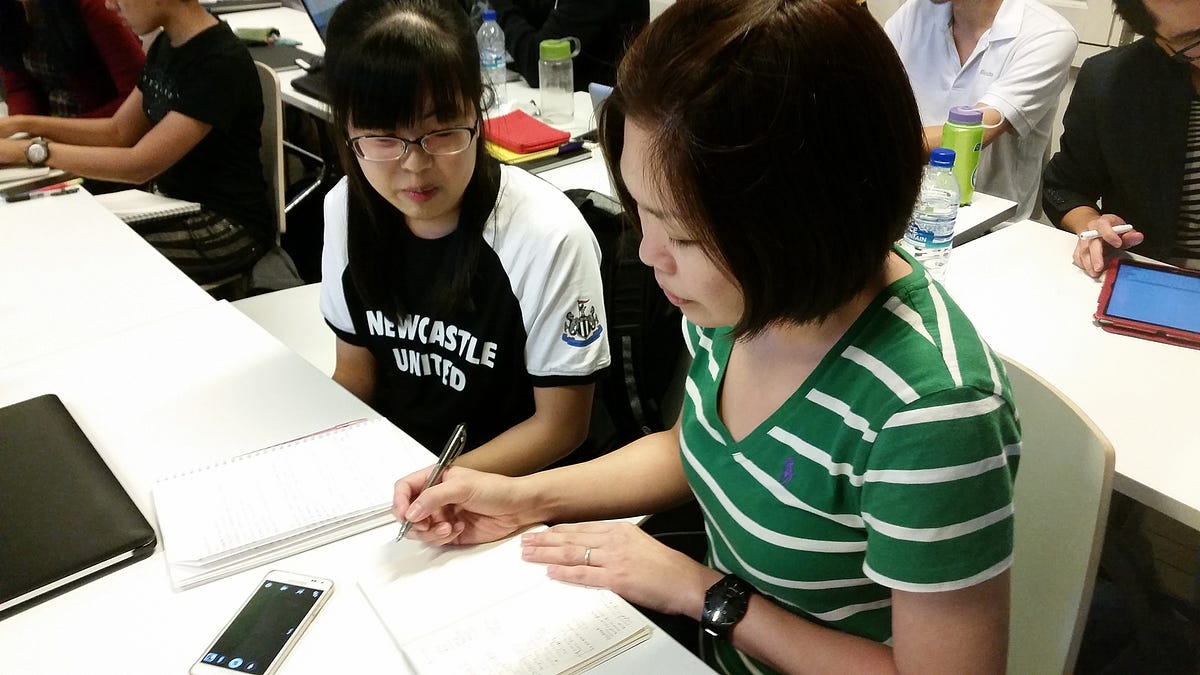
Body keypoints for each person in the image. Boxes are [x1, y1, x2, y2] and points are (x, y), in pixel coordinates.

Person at [393, 0, 1020, 672]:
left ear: (807, 218)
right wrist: (522, 498)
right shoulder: (739, 301)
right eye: (643, 213)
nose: (648, 255)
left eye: (685, 236)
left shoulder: (931, 412)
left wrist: (704, 592)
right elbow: (698, 444)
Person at [318, 0, 610, 475]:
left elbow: (561, 427)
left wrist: (439, 485)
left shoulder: (548, 236)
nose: (415, 164)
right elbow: (355, 374)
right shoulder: (345, 208)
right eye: (383, 137)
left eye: (442, 131)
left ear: (478, 111)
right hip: (400, 472)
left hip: (515, 487)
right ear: (347, 132)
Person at [0, 0, 271, 286]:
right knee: (51, 237)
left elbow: (139, 165)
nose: (110, 5)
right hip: (173, 205)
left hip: (226, 227)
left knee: (73, 262)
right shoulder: (168, 43)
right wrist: (22, 125)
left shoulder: (219, 62)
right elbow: (117, 131)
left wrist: (30, 151)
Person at [1043, 0, 1200, 275]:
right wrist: (1093, 225)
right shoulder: (1113, 82)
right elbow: (1066, 187)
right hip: (1155, 276)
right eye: (1193, 39)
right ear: (1159, 42)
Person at [885, 0, 1077, 222]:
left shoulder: (1049, 33)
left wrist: (868, 147)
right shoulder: (913, 12)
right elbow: (867, 103)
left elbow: (969, 136)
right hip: (905, 206)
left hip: (990, 224)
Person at [0, 0, 144, 119]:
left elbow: (139, 96)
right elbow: (19, 86)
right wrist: (24, 131)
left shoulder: (94, 6)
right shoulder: (9, 12)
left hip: (105, 127)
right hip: (51, 131)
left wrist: (46, 130)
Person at [485, 0, 648, 88]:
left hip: (600, 114)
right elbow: (540, 12)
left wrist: (500, 6)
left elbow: (537, 65)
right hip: (575, 102)